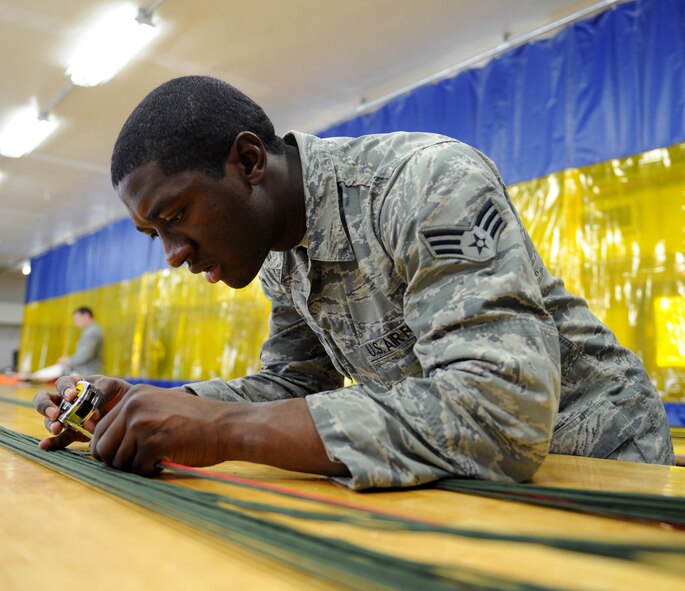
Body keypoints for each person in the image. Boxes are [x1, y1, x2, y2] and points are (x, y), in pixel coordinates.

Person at [34, 76, 674, 489]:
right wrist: (152, 407)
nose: (173, 255)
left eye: (174, 217)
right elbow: (288, 385)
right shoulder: (281, 253)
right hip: (473, 475)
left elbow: (498, 411)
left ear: (249, 162)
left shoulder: (425, 182)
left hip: (600, 464)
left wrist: (220, 429)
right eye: (155, 235)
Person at [24, 307, 103, 382]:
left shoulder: (92, 332)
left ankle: (34, 377)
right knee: (60, 368)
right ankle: (34, 376)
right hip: (82, 370)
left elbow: (86, 355)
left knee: (60, 368)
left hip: (87, 372)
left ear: (86, 316)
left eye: (77, 320)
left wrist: (68, 360)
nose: (76, 323)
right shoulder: (91, 331)